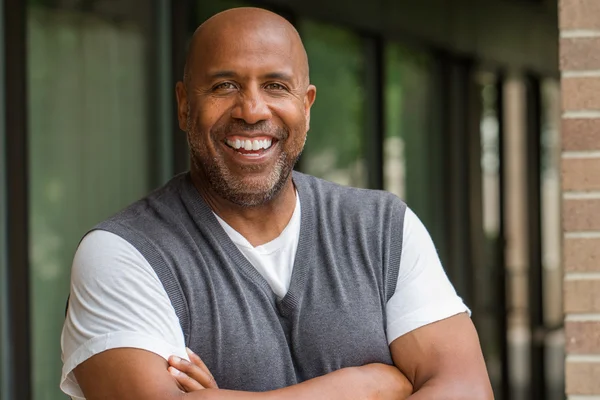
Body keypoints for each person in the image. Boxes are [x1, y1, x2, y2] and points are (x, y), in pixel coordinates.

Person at [60, 7, 493, 400]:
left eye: (275, 85)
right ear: (183, 105)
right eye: (224, 85)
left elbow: (468, 391)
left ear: (306, 106)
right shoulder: (124, 253)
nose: (251, 109)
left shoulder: (382, 230)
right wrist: (371, 387)